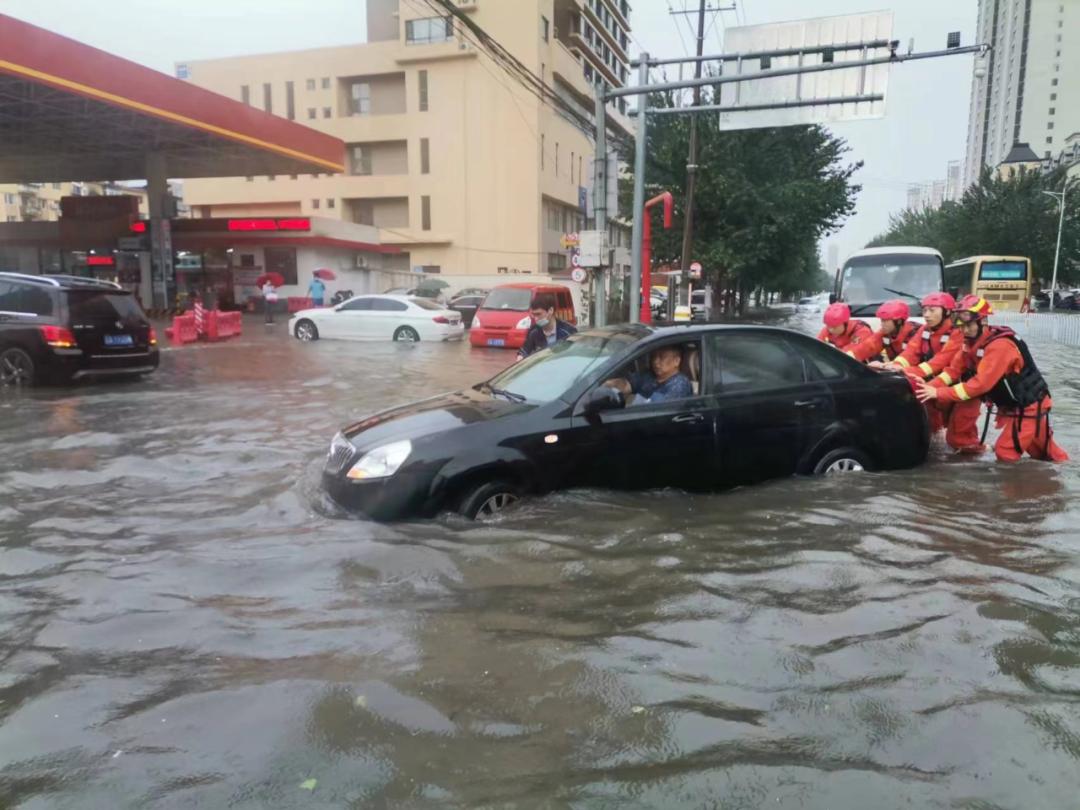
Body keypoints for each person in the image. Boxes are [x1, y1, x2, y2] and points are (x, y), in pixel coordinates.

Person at [915, 295, 1068, 462]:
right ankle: (1060, 477)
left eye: (969, 326)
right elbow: (952, 371)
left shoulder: (999, 346)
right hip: (1014, 405)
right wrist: (926, 388)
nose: (964, 331)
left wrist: (938, 393)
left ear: (983, 321)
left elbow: (980, 385)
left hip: (1028, 406)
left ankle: (1020, 486)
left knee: (1006, 453)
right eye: (961, 326)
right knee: (1047, 453)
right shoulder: (969, 344)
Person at [885, 291, 960, 433]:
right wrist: (894, 366)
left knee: (959, 434)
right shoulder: (925, 330)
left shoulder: (957, 333)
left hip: (955, 384)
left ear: (947, 312)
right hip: (933, 383)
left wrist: (905, 371)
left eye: (932, 310)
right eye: (924, 310)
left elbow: (940, 361)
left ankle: (977, 448)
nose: (926, 315)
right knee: (932, 428)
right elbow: (910, 352)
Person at [605, 346, 693, 406]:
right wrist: (610, 384)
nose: (655, 361)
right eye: (654, 356)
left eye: (661, 357)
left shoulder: (680, 384)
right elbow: (626, 385)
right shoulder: (649, 376)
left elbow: (658, 411)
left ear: (676, 361)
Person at [846, 299, 919, 363]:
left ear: (899, 321)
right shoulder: (885, 333)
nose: (882, 324)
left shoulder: (915, 334)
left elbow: (912, 357)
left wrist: (889, 365)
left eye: (886, 321)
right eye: (882, 320)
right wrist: (846, 357)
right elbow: (868, 346)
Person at [516, 292, 577, 360]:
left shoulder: (568, 331)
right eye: (534, 315)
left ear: (550, 310)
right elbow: (524, 351)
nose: (536, 319)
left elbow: (575, 355)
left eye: (539, 314)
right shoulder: (533, 331)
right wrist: (520, 358)